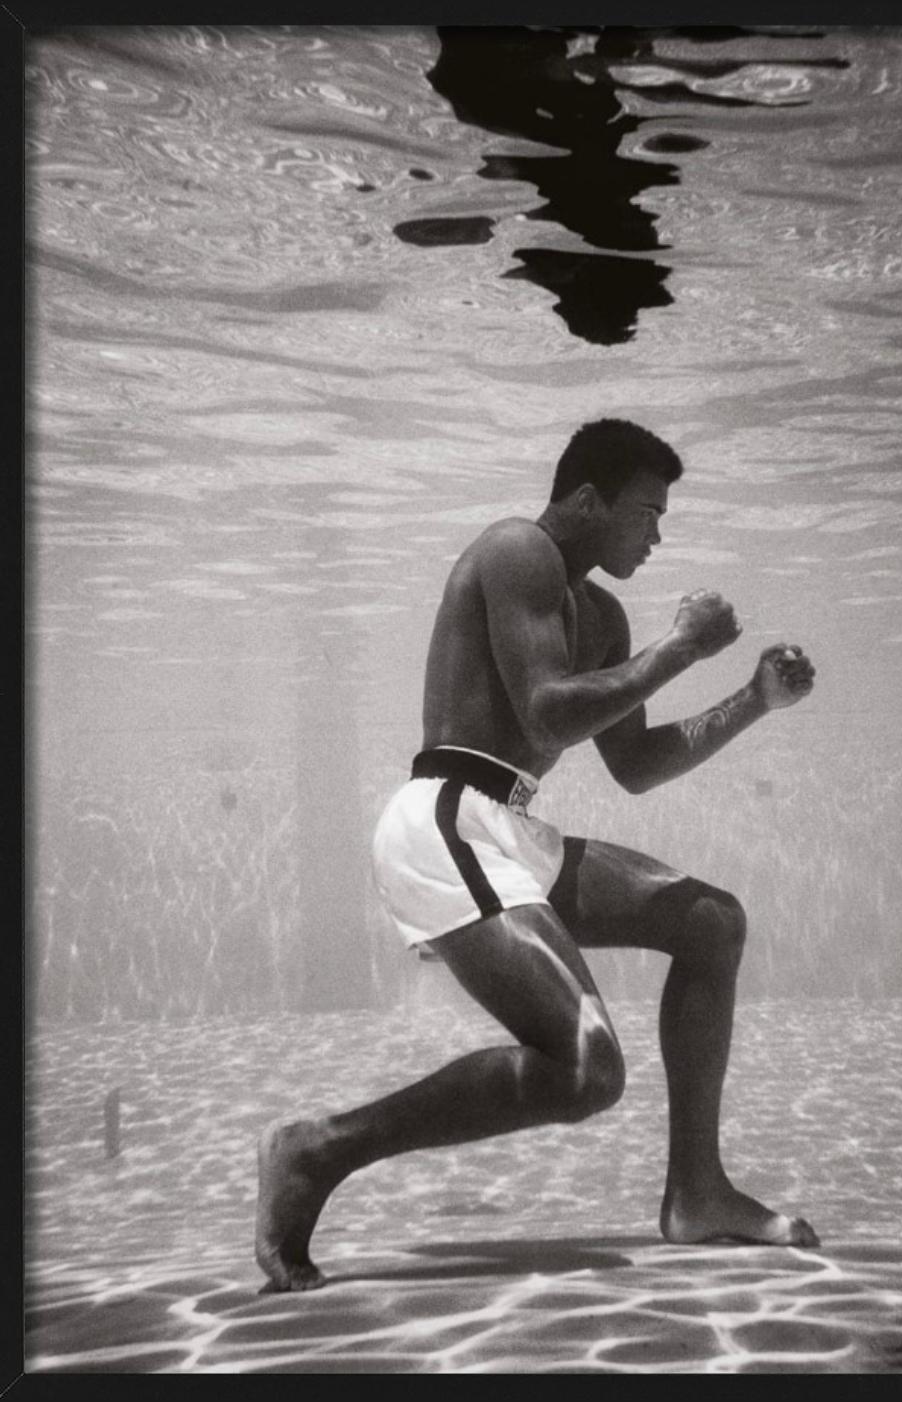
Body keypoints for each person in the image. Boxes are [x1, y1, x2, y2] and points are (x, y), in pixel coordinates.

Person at [256, 417, 818, 1292]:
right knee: (588, 1072)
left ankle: (698, 1193)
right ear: (587, 499)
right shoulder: (517, 549)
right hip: (443, 819)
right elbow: (548, 712)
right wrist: (678, 648)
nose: (656, 534)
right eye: (644, 512)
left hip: (512, 828)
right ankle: (318, 1149)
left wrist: (751, 699)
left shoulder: (598, 612)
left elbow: (633, 765)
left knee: (710, 922)